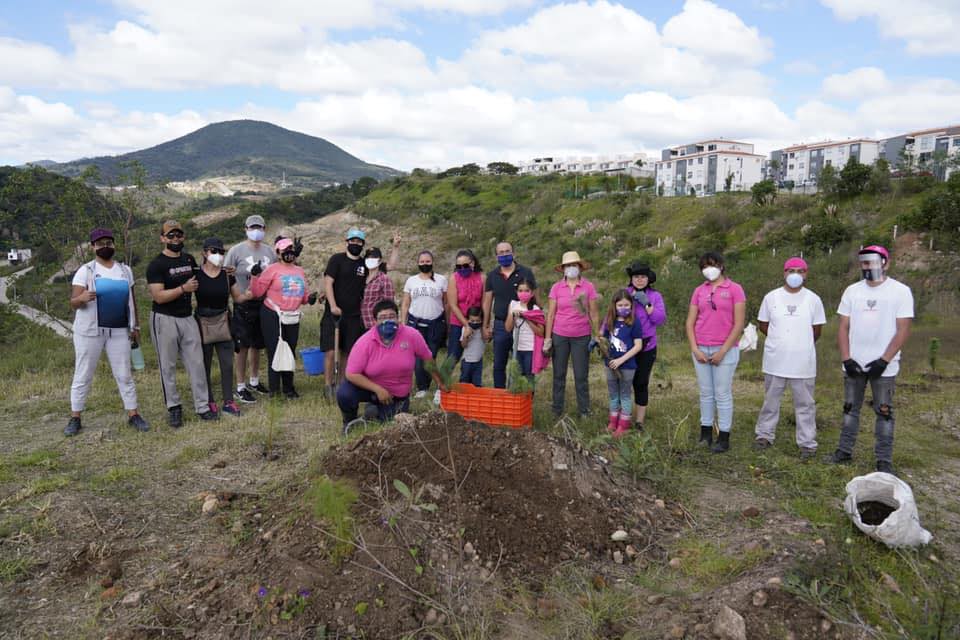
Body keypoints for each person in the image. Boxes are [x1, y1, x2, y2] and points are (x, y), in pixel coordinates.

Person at [827, 246, 913, 475]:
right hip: (854, 363)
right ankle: (844, 452)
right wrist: (846, 359)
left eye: (874, 262)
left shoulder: (900, 291)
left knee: (884, 412)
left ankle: (883, 461)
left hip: (884, 367)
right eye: (864, 262)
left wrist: (884, 361)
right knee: (849, 410)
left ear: (886, 263)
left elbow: (903, 330)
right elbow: (843, 327)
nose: (869, 266)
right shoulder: (852, 291)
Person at [65, 227, 149, 436]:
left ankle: (133, 414)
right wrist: (82, 298)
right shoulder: (86, 270)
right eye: (100, 243)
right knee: (83, 373)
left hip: (119, 330)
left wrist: (135, 325)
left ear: (114, 245)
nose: (105, 247)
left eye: (108, 243)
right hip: (89, 332)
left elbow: (132, 301)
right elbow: (74, 302)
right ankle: (75, 417)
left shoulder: (124, 270)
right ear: (93, 246)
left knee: (124, 374)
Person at [146, 220, 218, 427]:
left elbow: (201, 277)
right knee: (167, 366)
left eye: (179, 235)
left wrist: (223, 272)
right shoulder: (156, 265)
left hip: (187, 317)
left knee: (197, 363)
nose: (176, 239)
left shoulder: (188, 259)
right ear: (162, 238)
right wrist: (183, 290)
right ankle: (174, 407)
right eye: (171, 236)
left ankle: (202, 406)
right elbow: (158, 296)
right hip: (164, 318)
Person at [753, 257, 826, 459]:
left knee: (805, 404)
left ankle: (807, 443)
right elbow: (763, 324)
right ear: (784, 273)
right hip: (776, 361)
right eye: (791, 270)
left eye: (800, 271)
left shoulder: (813, 299)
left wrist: (799, 343)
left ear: (806, 274)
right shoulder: (771, 298)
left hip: (803, 363)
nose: (795, 274)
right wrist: (780, 340)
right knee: (770, 401)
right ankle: (764, 435)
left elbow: (817, 330)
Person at [337, 299, 447, 431]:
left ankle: (374, 410)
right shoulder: (365, 341)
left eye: (391, 317)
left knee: (390, 421)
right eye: (382, 318)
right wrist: (378, 390)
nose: (387, 321)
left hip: (396, 393)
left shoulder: (412, 335)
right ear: (375, 321)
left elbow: (428, 359)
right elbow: (351, 373)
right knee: (344, 393)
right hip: (370, 388)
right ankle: (349, 420)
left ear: (398, 318)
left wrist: (441, 382)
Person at [686, 251, 746, 453]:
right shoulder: (698, 291)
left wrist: (722, 351)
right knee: (706, 392)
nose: (708, 270)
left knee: (722, 393)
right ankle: (705, 434)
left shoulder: (735, 289)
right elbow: (690, 322)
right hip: (701, 347)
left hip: (726, 349)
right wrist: (695, 348)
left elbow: (738, 324)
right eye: (704, 267)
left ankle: (724, 436)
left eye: (711, 265)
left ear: (721, 266)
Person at [250, 237, 317, 398]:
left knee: (290, 350)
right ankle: (275, 390)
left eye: (291, 250)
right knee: (275, 350)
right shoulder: (272, 269)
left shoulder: (299, 271)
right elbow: (257, 292)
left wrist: (310, 299)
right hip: (272, 314)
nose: (289, 253)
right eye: (285, 250)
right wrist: (254, 276)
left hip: (292, 316)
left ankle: (289, 388)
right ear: (278, 253)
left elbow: (303, 296)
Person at [196, 238, 250, 417]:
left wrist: (252, 290)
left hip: (224, 321)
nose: (218, 255)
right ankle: (209, 400)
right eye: (214, 251)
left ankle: (228, 401)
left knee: (227, 364)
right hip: (202, 322)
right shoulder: (196, 275)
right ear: (204, 253)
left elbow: (238, 298)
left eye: (221, 251)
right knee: (205, 364)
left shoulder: (228, 275)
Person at [224, 214, 275, 404]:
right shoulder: (236, 251)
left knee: (257, 344)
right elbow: (226, 274)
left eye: (259, 228)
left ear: (264, 229)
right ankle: (240, 385)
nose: (256, 231)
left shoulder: (269, 252)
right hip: (243, 302)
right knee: (242, 345)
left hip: (264, 302)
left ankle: (254, 380)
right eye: (252, 227)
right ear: (245, 229)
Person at [543, 251, 600, 417]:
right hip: (559, 335)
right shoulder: (556, 288)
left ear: (580, 267)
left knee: (581, 375)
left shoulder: (588, 287)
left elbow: (594, 313)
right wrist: (547, 338)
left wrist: (596, 335)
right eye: (568, 265)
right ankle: (556, 409)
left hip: (581, 337)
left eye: (574, 265)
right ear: (563, 269)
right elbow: (551, 314)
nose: (571, 268)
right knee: (558, 374)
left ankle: (584, 411)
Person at [321, 227, 369, 399]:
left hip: (354, 315)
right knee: (331, 351)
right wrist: (333, 305)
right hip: (333, 314)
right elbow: (328, 283)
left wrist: (396, 247)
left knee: (347, 353)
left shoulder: (364, 264)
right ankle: (327, 385)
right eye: (353, 241)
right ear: (347, 242)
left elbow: (390, 266)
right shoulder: (337, 260)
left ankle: (342, 384)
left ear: (362, 244)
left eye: (359, 241)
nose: (355, 244)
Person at [482, 241, 537, 389]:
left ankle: (525, 397)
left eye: (507, 251)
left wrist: (537, 323)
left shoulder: (526, 272)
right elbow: (487, 302)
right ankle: (500, 396)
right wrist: (485, 326)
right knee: (499, 364)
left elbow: (535, 298)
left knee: (524, 365)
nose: (505, 254)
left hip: (524, 325)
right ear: (496, 256)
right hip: (500, 325)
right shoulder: (492, 275)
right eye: (501, 252)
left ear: (514, 253)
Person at [400, 250, 448, 398]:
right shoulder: (411, 281)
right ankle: (422, 387)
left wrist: (448, 323)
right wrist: (403, 323)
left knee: (431, 356)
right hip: (415, 323)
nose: (425, 264)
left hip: (435, 323)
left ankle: (438, 385)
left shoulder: (441, 280)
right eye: (422, 262)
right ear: (418, 263)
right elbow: (405, 303)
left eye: (427, 262)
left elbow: (446, 303)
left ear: (432, 262)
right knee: (418, 357)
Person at [625, 262, 667, 430]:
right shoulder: (625, 293)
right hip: (626, 345)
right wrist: (602, 333)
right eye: (636, 276)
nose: (640, 280)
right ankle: (624, 417)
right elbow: (611, 315)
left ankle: (639, 421)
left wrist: (647, 304)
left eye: (643, 277)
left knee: (641, 382)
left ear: (648, 278)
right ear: (631, 278)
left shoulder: (655, 296)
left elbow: (660, 319)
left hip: (647, 345)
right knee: (625, 382)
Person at [602, 290, 646, 437]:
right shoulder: (609, 321)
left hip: (627, 366)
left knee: (625, 395)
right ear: (614, 306)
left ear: (631, 306)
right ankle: (613, 422)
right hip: (610, 364)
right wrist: (597, 342)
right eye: (620, 305)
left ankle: (624, 425)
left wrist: (621, 360)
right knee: (613, 394)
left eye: (626, 305)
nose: (623, 307)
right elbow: (604, 339)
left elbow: (638, 345)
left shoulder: (634, 322)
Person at [504, 279, 545, 386]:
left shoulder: (535, 309)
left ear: (531, 293)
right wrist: (512, 315)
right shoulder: (513, 305)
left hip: (530, 349)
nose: (523, 293)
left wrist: (527, 318)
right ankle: (517, 400)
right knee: (516, 375)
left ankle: (528, 400)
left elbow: (540, 332)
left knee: (529, 376)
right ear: (516, 292)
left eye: (526, 291)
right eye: (520, 290)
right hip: (516, 348)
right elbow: (508, 328)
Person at [446, 249, 484, 364]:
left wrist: (485, 324)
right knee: (452, 357)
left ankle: (470, 381)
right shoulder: (454, 278)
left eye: (465, 265)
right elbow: (453, 304)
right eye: (459, 266)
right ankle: (442, 381)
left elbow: (484, 303)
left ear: (472, 263)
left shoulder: (482, 278)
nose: (462, 269)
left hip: (476, 323)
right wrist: (466, 325)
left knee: (475, 357)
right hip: (458, 322)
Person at [360, 248, 396, 330]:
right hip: (361, 323)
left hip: (376, 324)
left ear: (379, 261)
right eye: (368, 257)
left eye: (373, 258)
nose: (370, 260)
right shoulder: (362, 278)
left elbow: (389, 304)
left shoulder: (384, 279)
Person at [459, 306, 485, 386]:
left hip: (478, 361)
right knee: (464, 381)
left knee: (477, 383)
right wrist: (465, 336)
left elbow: (487, 339)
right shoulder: (465, 329)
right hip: (467, 361)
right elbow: (463, 345)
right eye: (472, 321)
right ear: (467, 320)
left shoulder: (482, 330)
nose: (475, 323)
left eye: (478, 321)